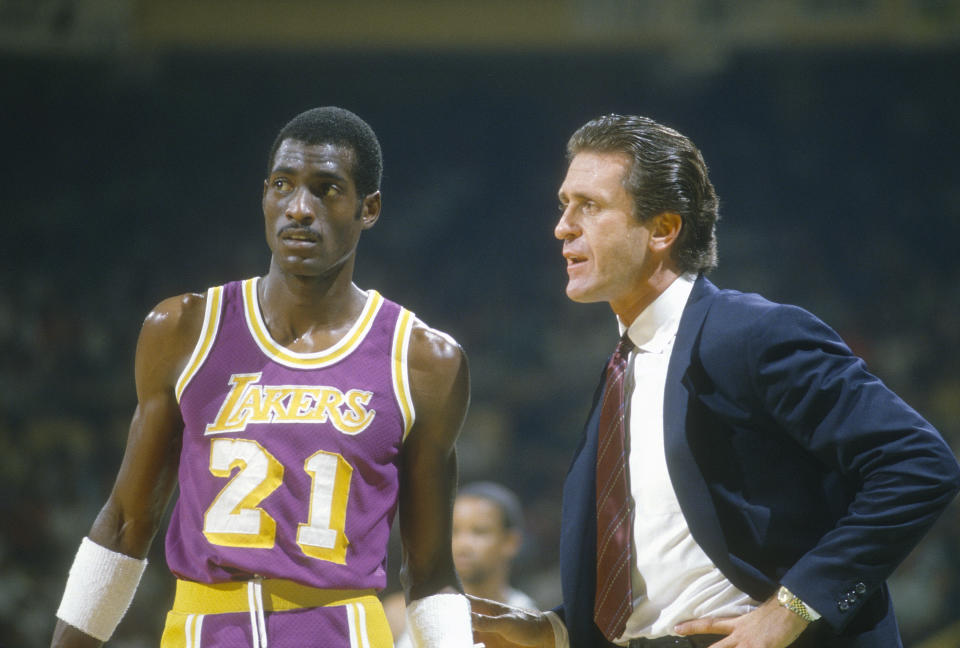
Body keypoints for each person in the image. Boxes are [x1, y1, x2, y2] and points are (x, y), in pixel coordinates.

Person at [470, 114, 960, 648]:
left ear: (662, 229)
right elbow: (671, 564)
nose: (562, 226)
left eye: (589, 205)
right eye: (564, 204)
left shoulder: (752, 332)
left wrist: (794, 608)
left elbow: (919, 464)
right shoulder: (621, 366)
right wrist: (555, 628)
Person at [50, 106, 478, 648]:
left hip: (341, 630)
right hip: (201, 627)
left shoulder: (424, 361)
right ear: (264, 196)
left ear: (368, 208)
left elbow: (432, 572)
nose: (299, 208)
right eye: (283, 185)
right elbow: (124, 525)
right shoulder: (184, 328)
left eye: (326, 190)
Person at [385, 482, 537, 647]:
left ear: (511, 541)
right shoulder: (400, 612)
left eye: (479, 531)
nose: (462, 544)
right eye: (454, 531)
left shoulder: (527, 621)